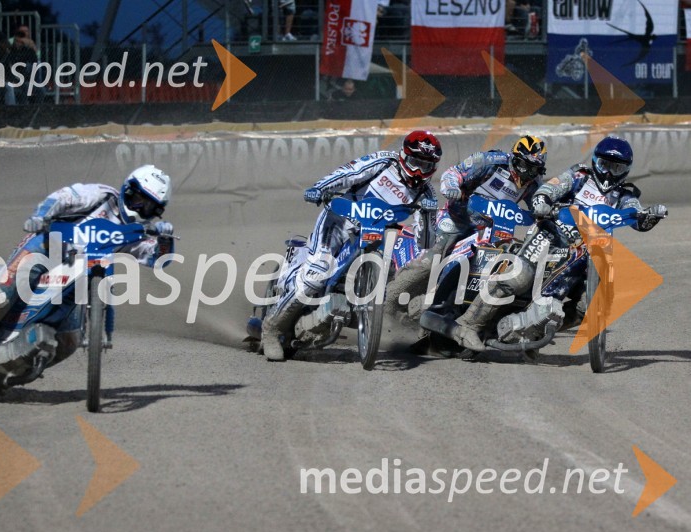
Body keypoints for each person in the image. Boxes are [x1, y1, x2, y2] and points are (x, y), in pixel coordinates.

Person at [0, 166, 176, 388]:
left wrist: (165, 239)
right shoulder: (102, 195)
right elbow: (63, 197)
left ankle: (4, 370)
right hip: (45, 246)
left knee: (68, 342)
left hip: (81, 274)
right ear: (127, 190)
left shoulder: (137, 234)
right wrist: (41, 215)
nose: (140, 208)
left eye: (148, 207)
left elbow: (158, 259)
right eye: (138, 199)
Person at [448, 136, 668, 352]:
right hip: (552, 236)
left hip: (590, 251)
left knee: (586, 306)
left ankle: (533, 330)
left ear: (626, 170)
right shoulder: (579, 176)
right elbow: (549, 189)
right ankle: (469, 324)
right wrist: (542, 201)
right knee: (519, 275)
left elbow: (636, 217)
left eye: (616, 168)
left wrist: (649, 216)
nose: (609, 172)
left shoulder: (625, 195)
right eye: (605, 164)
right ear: (595, 161)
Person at [260, 130, 443, 361]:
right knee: (316, 275)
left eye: (426, 166)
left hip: (374, 234)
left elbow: (425, 240)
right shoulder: (383, 162)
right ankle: (272, 330)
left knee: (391, 275)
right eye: (415, 162)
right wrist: (320, 188)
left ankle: (351, 309)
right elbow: (348, 173)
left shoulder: (426, 194)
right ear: (404, 156)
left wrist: (427, 218)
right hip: (339, 222)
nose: (418, 171)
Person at [384, 136, 548, 330]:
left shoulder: (533, 183)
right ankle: (389, 301)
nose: (527, 172)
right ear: (515, 157)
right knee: (433, 258)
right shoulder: (489, 162)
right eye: (524, 165)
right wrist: (452, 187)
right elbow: (453, 173)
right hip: (457, 219)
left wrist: (544, 214)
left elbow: (538, 209)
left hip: (491, 229)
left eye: (534, 169)